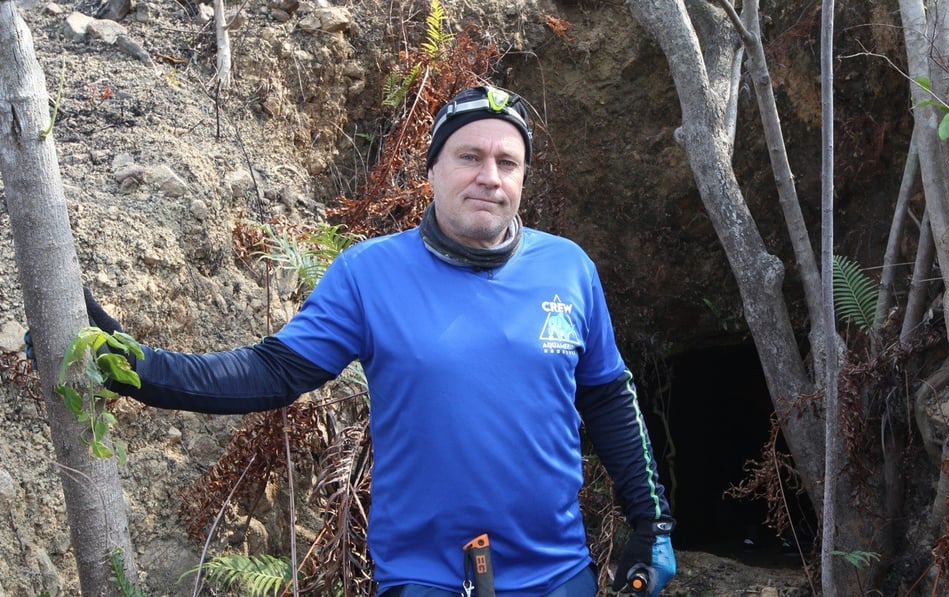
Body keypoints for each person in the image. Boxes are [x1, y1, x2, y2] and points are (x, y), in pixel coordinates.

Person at [78, 85, 676, 596]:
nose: (489, 177)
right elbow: (273, 372)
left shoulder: (569, 268)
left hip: (557, 573)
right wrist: (145, 369)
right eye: (470, 156)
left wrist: (651, 522)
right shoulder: (369, 273)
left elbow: (607, 399)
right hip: (425, 576)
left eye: (508, 163)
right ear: (433, 169)